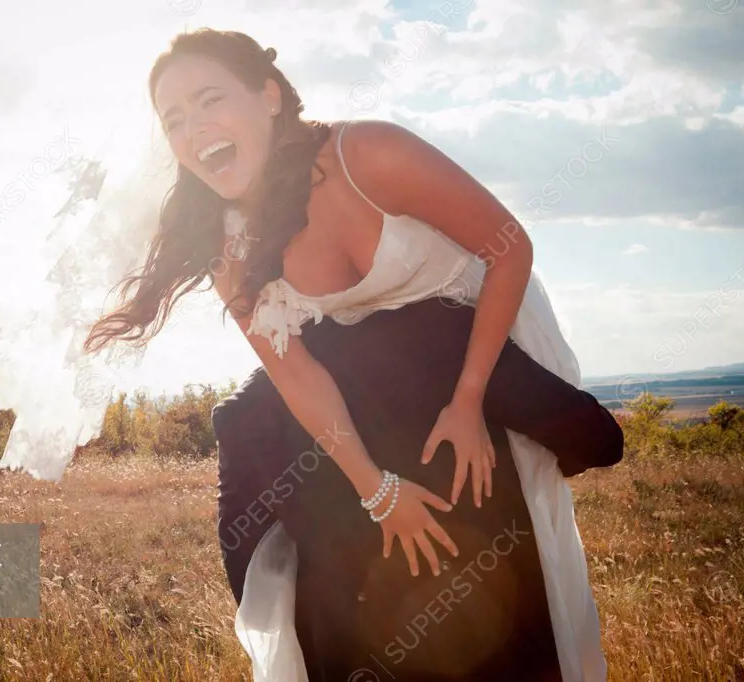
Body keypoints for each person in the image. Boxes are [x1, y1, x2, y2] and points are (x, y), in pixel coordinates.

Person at [68, 27, 616, 680]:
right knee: (266, 444)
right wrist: (375, 489)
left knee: (495, 561)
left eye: (211, 99)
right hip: (372, 387)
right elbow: (295, 372)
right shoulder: (230, 245)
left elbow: (509, 246)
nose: (195, 129)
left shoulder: (369, 153)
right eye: (175, 120)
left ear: (268, 96)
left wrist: (470, 399)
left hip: (475, 349)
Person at [213, 295, 623, 681]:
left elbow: (246, 569)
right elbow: (597, 441)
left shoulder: (248, 407)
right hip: (501, 641)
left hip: (348, 657)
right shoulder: (450, 334)